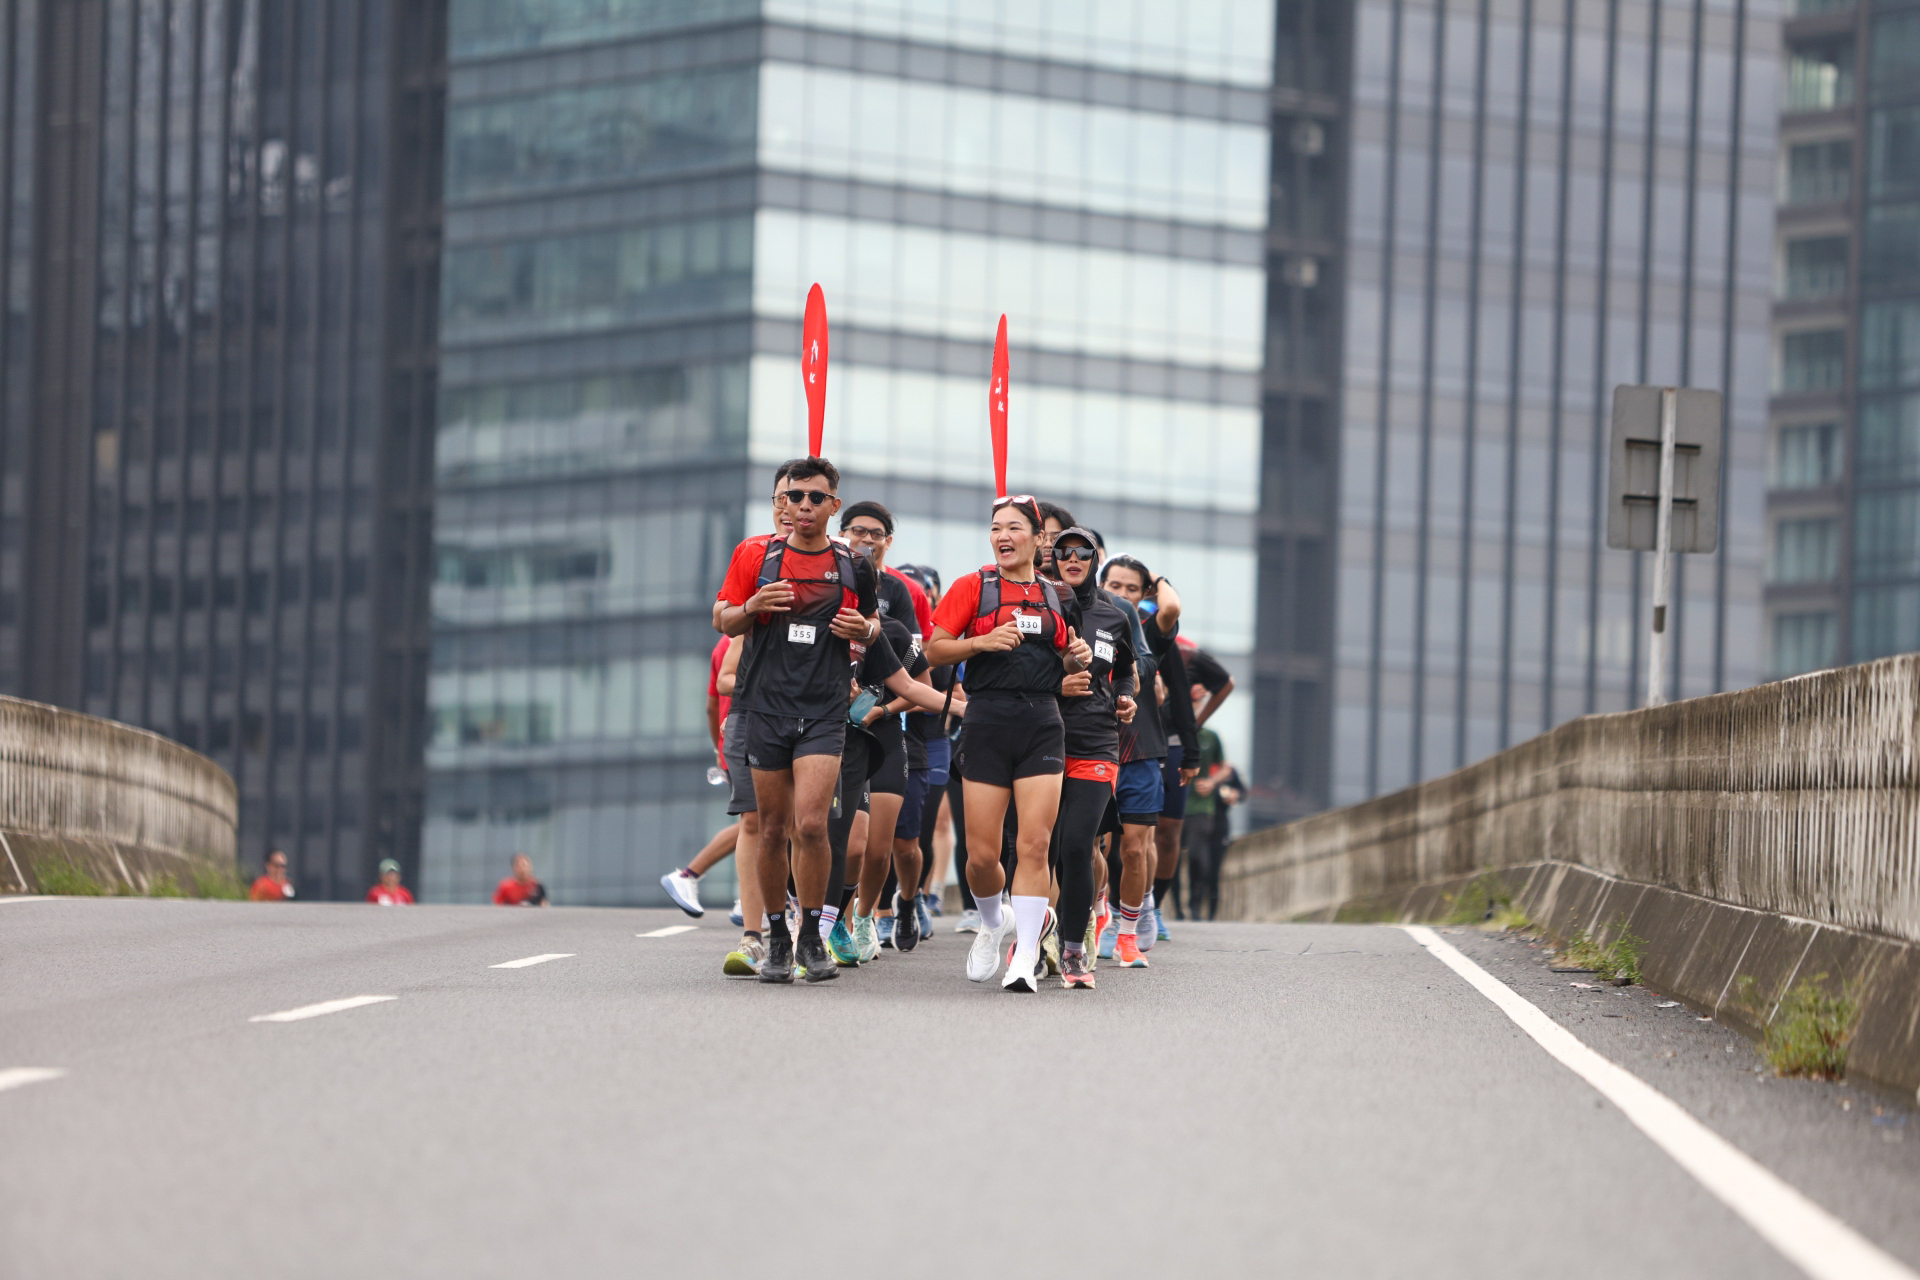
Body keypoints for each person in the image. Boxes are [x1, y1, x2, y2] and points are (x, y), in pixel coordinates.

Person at [715, 455, 881, 984]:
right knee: (771, 828)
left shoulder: (854, 564)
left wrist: (864, 630)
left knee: (811, 825)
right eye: (794, 496)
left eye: (815, 497)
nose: (803, 506)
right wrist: (753, 605)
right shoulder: (756, 554)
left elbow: (872, 623)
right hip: (765, 707)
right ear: (782, 501)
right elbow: (722, 618)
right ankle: (776, 938)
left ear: (833, 505)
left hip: (824, 711)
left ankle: (811, 933)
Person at [926, 494, 1092, 991]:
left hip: (1042, 721)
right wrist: (981, 642)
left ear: (1039, 540)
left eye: (1015, 527)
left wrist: (1077, 656)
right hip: (986, 721)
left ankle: (1025, 958)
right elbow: (934, 650)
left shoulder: (1059, 595)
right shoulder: (972, 587)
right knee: (982, 857)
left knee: (1035, 844)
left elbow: (1065, 657)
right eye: (996, 527)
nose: (1003, 536)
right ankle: (993, 922)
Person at [1047, 526, 1136, 988]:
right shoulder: (1037, 606)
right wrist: (1056, 685)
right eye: (1064, 551)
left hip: (1097, 741)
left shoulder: (1113, 615)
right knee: (1040, 849)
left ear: (1094, 559)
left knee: (1078, 846)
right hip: (1041, 738)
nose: (1073, 558)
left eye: (1083, 551)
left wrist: (1125, 696)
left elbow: (1126, 668)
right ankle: (1033, 936)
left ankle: (1073, 951)